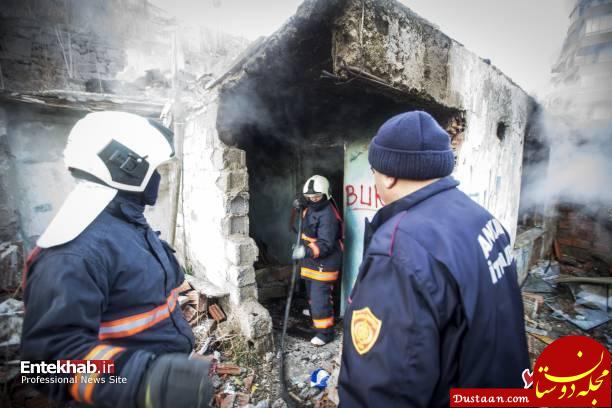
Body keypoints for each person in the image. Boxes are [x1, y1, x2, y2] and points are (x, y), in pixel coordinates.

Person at [21, 111, 213, 408]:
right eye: (154, 169)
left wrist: (174, 364)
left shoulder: (127, 224)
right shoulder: (73, 252)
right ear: (126, 168)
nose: (158, 179)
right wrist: (148, 381)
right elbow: (45, 366)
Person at [338, 111, 528, 407]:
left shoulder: (398, 250)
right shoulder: (482, 219)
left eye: (373, 170)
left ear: (388, 175)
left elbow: (383, 391)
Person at [292, 175, 343, 346]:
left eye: (317, 197)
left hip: (325, 262)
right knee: (312, 291)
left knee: (320, 296)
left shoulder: (328, 215)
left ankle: (325, 333)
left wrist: (305, 251)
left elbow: (326, 244)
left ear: (326, 194)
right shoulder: (312, 206)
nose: (314, 200)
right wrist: (299, 207)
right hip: (312, 261)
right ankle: (316, 312)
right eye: (310, 198)